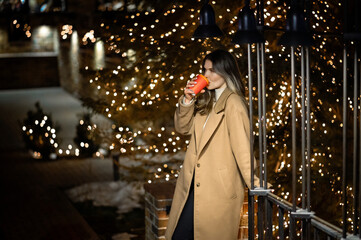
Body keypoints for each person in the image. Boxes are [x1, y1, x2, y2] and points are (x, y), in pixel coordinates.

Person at [164, 49, 260, 240]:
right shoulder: (207, 100)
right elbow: (183, 129)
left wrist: (255, 184)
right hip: (194, 184)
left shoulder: (233, 103)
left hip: (217, 190)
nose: (205, 75)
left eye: (212, 70)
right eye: (204, 70)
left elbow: (243, 149)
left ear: (227, 72)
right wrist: (187, 100)